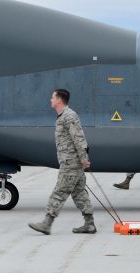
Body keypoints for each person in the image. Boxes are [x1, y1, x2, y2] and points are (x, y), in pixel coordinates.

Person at [28, 89, 96, 235]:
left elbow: (79, 138)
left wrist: (84, 159)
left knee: (59, 192)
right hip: (72, 161)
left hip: (71, 162)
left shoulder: (69, 116)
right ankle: (89, 224)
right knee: (79, 193)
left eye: (52, 97)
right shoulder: (63, 116)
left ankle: (47, 223)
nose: (50, 100)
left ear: (59, 99)